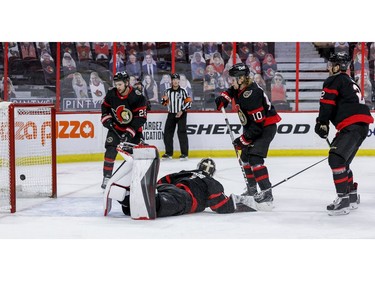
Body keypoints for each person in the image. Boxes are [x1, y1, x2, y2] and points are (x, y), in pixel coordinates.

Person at [104, 151, 258, 218]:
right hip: (184, 198)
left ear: (198, 166)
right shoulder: (211, 182)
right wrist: (241, 202)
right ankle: (128, 198)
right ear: (212, 172)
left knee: (151, 199)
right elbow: (221, 205)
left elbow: (164, 180)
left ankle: (127, 198)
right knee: (157, 205)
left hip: (169, 189)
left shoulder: (187, 172)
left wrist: (155, 188)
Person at [215, 63, 281, 208]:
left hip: (265, 128)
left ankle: (266, 192)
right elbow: (232, 90)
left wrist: (243, 140)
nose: (231, 82)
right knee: (245, 157)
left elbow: (258, 126)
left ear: (242, 79)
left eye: (233, 79)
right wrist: (224, 97)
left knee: (255, 158)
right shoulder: (241, 87)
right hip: (253, 126)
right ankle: (252, 189)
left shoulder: (252, 94)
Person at [315, 52, 374, 216]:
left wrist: (322, 122)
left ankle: (343, 201)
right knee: (343, 161)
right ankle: (352, 195)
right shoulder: (349, 81)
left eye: (330, 64)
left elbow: (326, 104)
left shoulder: (334, 80)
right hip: (361, 125)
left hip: (352, 125)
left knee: (336, 159)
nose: (328, 67)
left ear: (337, 66)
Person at [100, 71, 147, 189]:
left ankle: (136, 178)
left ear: (126, 83)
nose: (117, 87)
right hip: (116, 127)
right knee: (110, 151)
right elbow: (105, 107)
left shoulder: (137, 96)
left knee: (134, 156)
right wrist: (107, 119)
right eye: (116, 84)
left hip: (133, 130)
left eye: (120, 84)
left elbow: (141, 118)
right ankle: (107, 177)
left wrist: (129, 132)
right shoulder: (111, 93)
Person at [161, 73, 192, 160]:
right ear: (171, 81)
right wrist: (165, 99)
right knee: (167, 133)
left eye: (176, 79)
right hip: (171, 113)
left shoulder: (183, 91)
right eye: (173, 79)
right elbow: (163, 103)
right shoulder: (167, 91)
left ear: (179, 80)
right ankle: (168, 153)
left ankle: (184, 154)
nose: (175, 81)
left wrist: (181, 111)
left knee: (181, 133)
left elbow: (189, 102)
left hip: (182, 114)